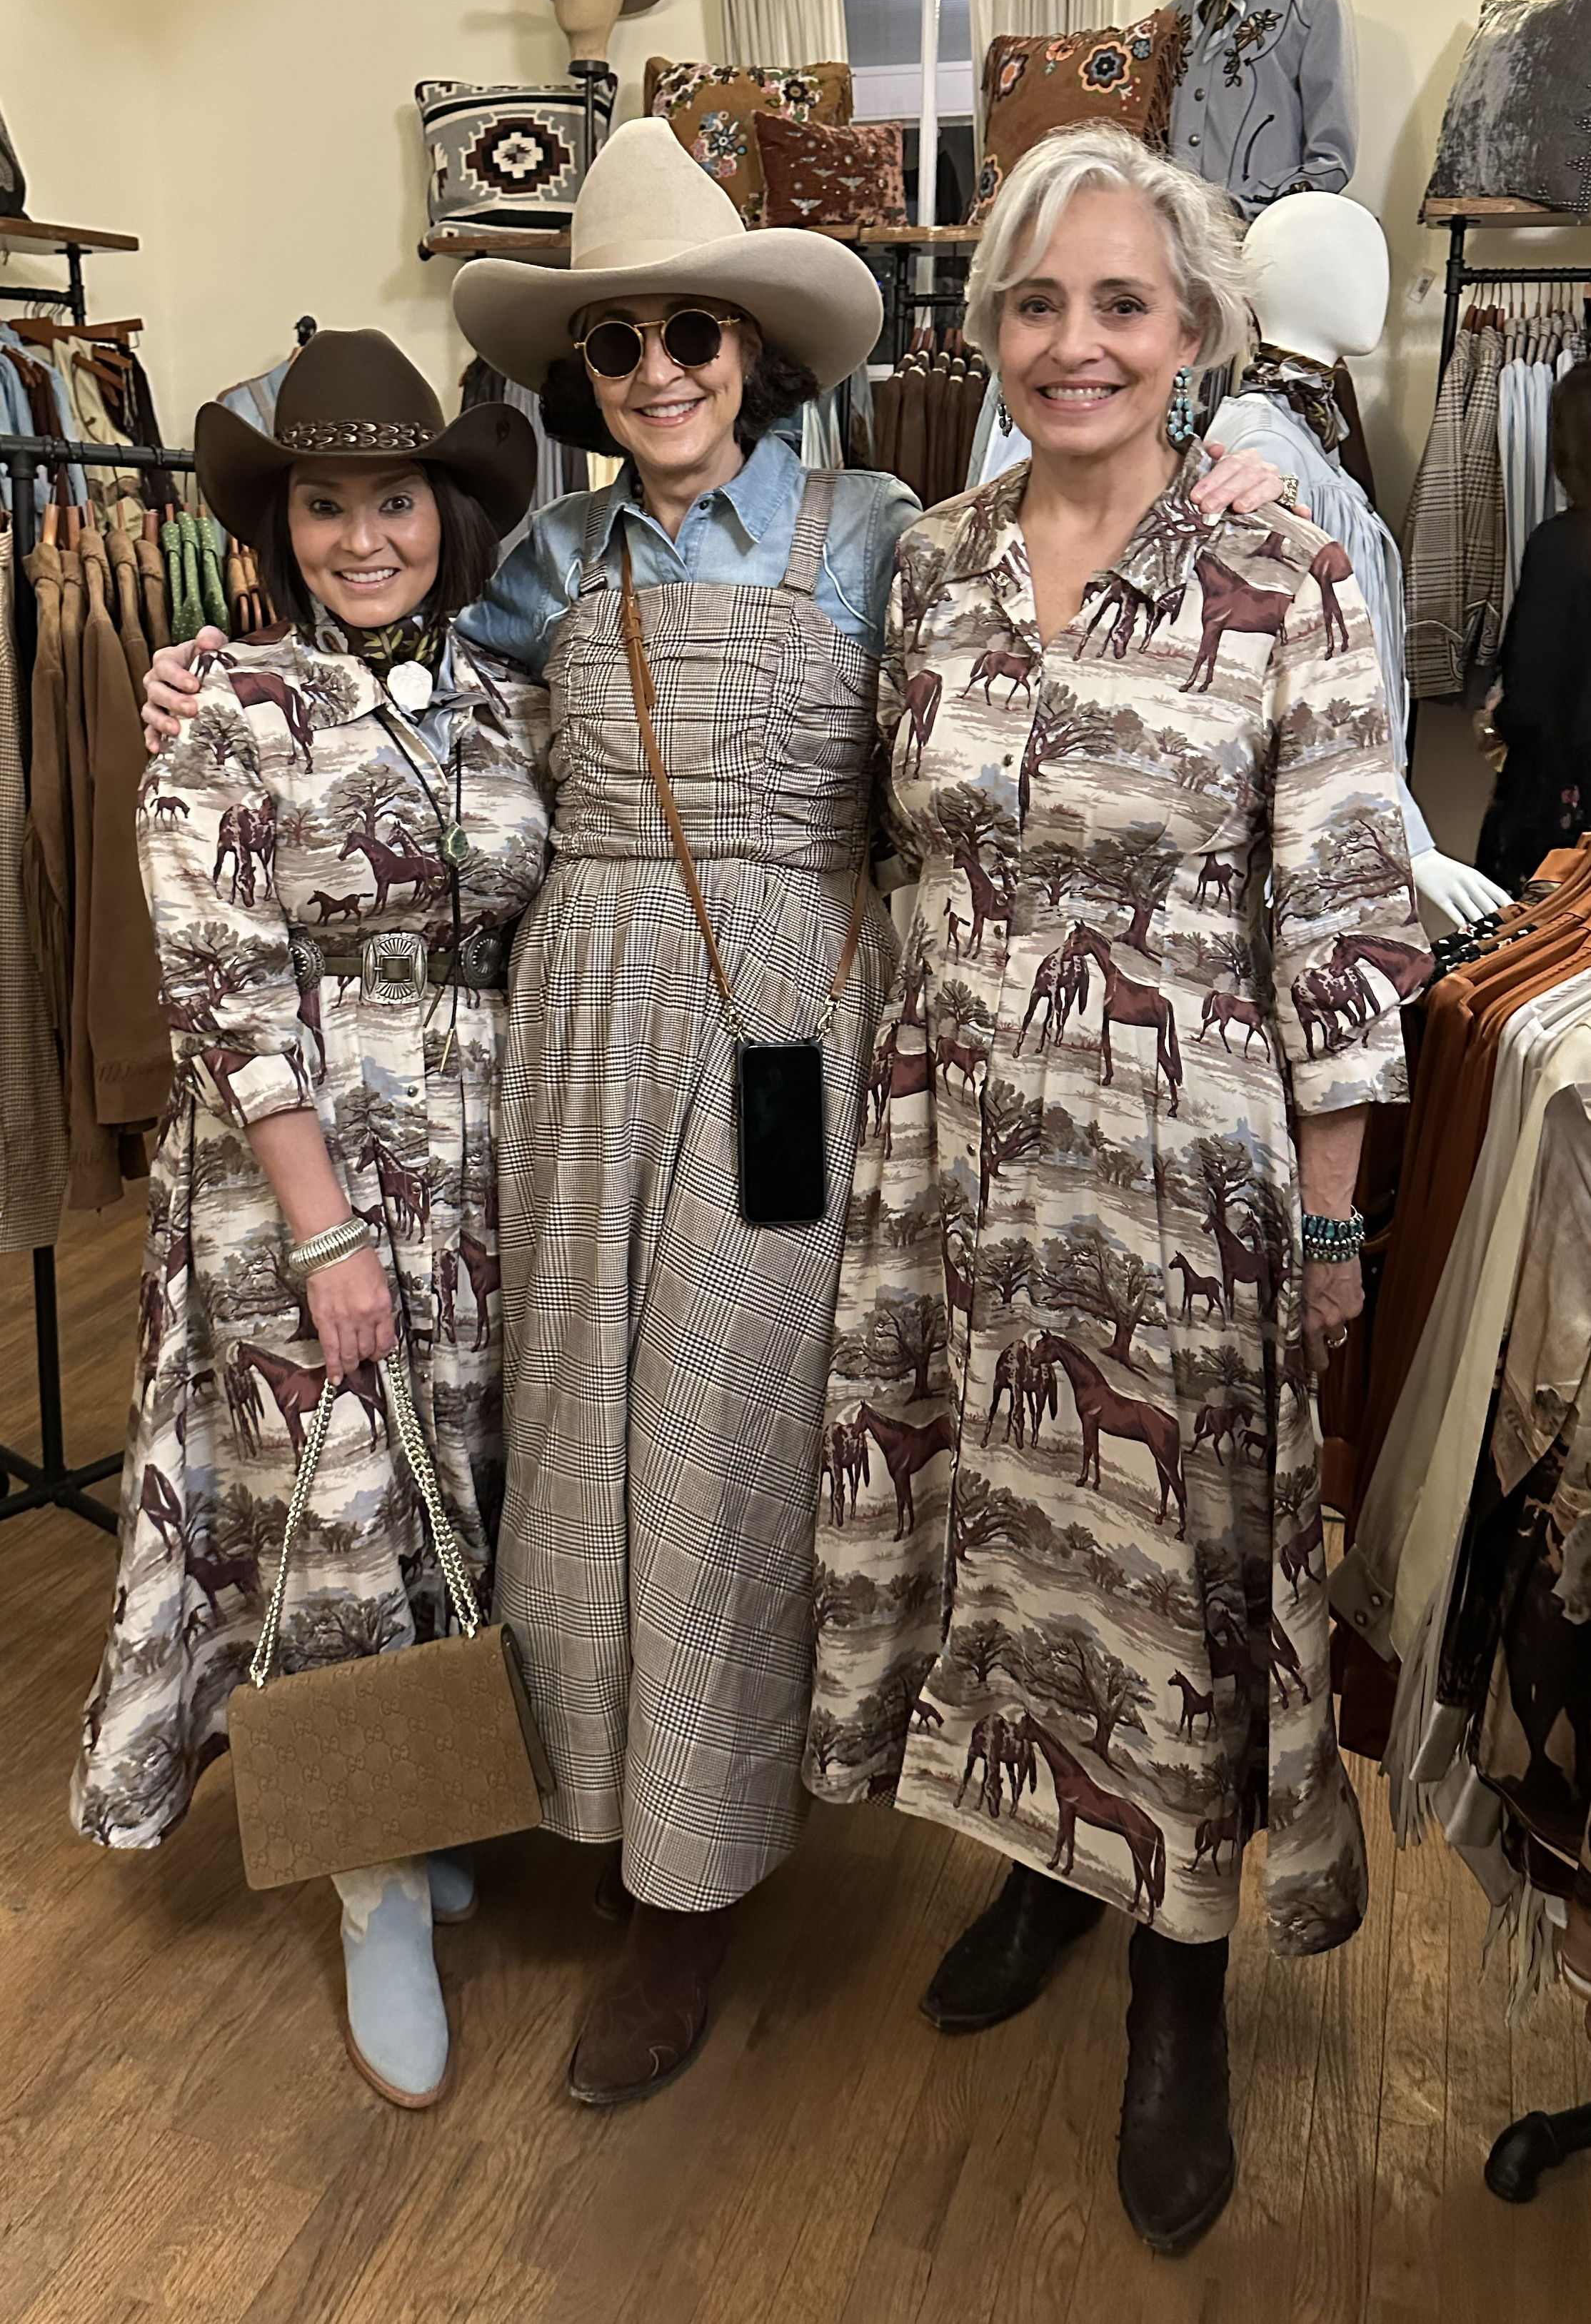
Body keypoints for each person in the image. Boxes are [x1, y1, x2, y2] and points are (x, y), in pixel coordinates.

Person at [139, 122, 1286, 2113]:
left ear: (752, 346)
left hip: (789, 1039)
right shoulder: (548, 565)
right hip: (574, 1032)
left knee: (731, 1433)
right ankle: (570, 1802)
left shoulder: (889, 534)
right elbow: (388, 680)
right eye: (614, 346)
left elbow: (1063, 590)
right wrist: (205, 679)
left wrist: (1235, 464)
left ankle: (691, 1891)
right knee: (575, 1431)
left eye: (691, 331)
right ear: (576, 378)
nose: (657, 370)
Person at [802, 122, 1430, 2255]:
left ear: (1193, 335)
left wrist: (1334, 1225)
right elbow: (891, 847)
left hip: (1178, 1176)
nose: (1076, 342)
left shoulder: (1279, 568)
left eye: (1121, 304)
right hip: (949, 1150)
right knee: (1000, 1536)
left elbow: (1344, 907)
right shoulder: (938, 562)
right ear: (987, 329)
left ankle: (1175, 1981)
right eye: (1037, 304)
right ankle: (1027, 1868)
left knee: (1157, 1570)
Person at [74, 330, 546, 2111]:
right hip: (305, 1181)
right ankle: (369, 1883)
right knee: (337, 1499)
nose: (365, 537)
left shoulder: (504, 705)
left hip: (480, 1168)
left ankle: (426, 1796)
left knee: (451, 1484)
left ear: (449, 511)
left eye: (395, 498)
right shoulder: (234, 718)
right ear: (282, 529)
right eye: (327, 504)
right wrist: (326, 1229)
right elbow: (220, 977)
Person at [1476, 361, 1591, 895]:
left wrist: (1495, 721)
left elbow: (1530, 702)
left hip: (1563, 821)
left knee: (1537, 967)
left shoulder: (1562, 547)